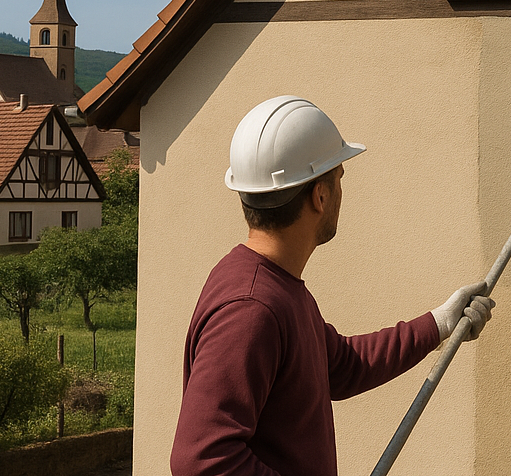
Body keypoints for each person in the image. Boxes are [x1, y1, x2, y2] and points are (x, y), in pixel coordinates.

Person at [170, 96, 494, 476]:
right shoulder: (252, 308)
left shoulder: (277, 287)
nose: (342, 191)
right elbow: (202, 460)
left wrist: (439, 323)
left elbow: (340, 366)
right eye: (339, 179)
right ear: (320, 197)